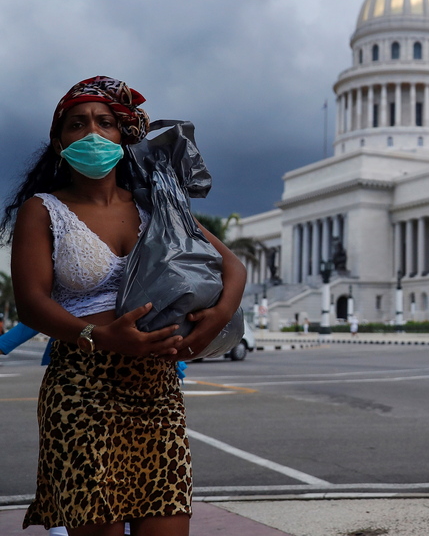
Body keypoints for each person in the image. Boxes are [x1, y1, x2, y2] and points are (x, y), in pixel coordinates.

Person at [1, 76, 246, 536]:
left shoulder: (157, 206)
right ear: (59, 142)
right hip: (81, 388)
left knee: (168, 524)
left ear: (124, 134)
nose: (92, 134)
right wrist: (99, 336)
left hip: (156, 390)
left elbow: (232, 265)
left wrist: (214, 321)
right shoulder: (43, 209)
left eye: (105, 123)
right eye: (77, 124)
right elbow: (31, 303)